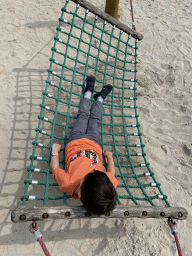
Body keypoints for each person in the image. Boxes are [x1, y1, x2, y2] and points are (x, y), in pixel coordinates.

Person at [51, 75, 118, 215]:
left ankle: (87, 93)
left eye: (88, 175)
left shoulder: (67, 184)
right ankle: (99, 98)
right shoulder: (106, 186)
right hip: (94, 143)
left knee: (82, 115)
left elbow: (55, 168)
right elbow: (111, 173)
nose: (91, 171)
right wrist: (109, 158)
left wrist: (55, 151)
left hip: (75, 141)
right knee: (95, 120)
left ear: (80, 193)